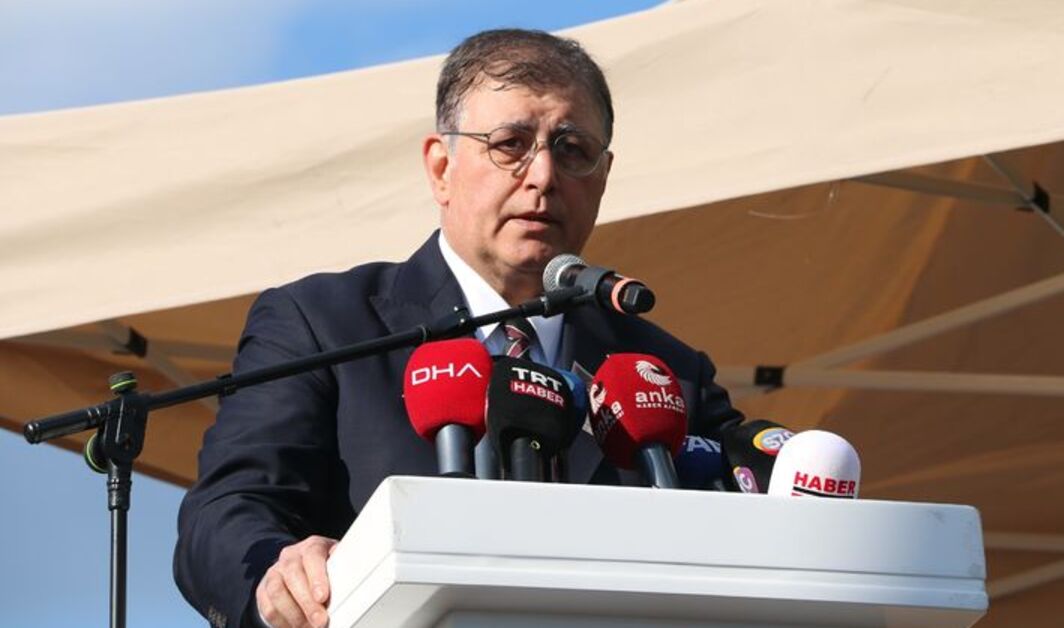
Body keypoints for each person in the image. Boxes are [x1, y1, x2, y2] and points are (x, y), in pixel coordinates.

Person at [174, 29, 742, 628]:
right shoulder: (325, 325)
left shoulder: (667, 374)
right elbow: (227, 510)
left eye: (572, 149)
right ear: (441, 168)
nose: (543, 175)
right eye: (511, 144)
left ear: (602, 176)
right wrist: (278, 569)